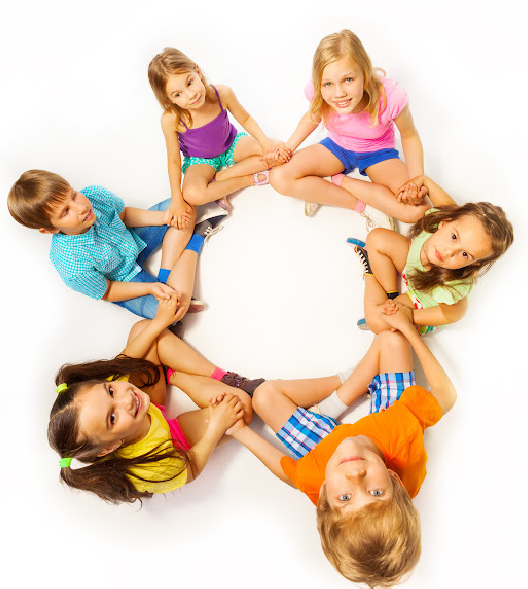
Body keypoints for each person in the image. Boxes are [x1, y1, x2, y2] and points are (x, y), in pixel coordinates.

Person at [226, 301, 456, 587]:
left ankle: (341, 392)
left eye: (345, 498)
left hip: (327, 444)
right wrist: (410, 331)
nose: (355, 477)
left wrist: (239, 432)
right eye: (375, 491)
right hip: (382, 425)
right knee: (391, 338)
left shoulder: (317, 474)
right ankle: (350, 384)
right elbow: (446, 394)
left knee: (263, 396)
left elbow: (290, 475)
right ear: (394, 479)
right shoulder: (402, 431)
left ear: (322, 496)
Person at [48, 292, 263, 504]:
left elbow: (127, 358)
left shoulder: (112, 392)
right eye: (112, 418)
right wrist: (216, 425)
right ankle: (175, 374)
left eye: (111, 391)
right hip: (174, 441)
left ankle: (223, 377)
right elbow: (192, 468)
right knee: (240, 408)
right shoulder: (148, 469)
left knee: (143, 330)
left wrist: (160, 321)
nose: (126, 400)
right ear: (109, 448)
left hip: (150, 411)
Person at [7, 169, 226, 322]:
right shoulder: (69, 263)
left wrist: (165, 217)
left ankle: (167, 273)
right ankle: (195, 239)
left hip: (132, 239)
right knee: (171, 313)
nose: (80, 207)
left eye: (73, 195)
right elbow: (108, 291)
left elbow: (126, 215)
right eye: (65, 212)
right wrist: (149, 288)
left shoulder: (94, 195)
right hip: (122, 279)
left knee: (183, 205)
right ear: (50, 229)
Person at [267, 29, 428, 227]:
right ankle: (364, 206)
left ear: (365, 74)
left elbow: (409, 136)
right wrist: (288, 147)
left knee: (418, 211)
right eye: (328, 84)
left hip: (378, 153)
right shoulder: (319, 90)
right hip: (337, 147)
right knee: (279, 176)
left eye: (348, 80)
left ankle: (335, 181)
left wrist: (416, 179)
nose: (339, 93)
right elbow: (312, 117)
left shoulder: (391, 95)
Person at [348, 175, 514, 334]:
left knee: (377, 322)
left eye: (464, 254)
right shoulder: (446, 216)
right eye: (454, 237)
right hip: (411, 265)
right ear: (446, 221)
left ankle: (370, 272)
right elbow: (442, 198)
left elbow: (453, 314)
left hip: (419, 300)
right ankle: (392, 294)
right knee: (376, 238)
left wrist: (409, 316)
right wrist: (423, 180)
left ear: (474, 263)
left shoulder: (450, 287)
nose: (449, 251)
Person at [148, 48, 288, 228]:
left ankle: (222, 177)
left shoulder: (222, 93)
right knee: (192, 194)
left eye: (190, 83)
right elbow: (174, 160)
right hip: (200, 161)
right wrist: (176, 198)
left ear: (197, 71)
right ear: (168, 100)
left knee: (279, 148)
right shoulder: (171, 119)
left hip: (232, 144)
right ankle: (247, 179)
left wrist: (265, 142)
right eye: (178, 94)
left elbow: (245, 118)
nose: (190, 95)